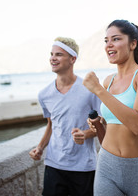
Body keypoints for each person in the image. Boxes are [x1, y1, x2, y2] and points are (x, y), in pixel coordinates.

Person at [83, 19, 138, 196]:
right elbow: (113, 129)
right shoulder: (108, 81)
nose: (109, 44)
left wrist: (99, 91)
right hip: (106, 165)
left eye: (115, 39)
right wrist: (100, 123)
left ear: (133, 44)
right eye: (106, 40)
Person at [29, 37, 101, 196]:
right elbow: (51, 124)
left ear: (72, 59)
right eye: (52, 54)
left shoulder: (89, 90)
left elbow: (102, 125)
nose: (53, 58)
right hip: (54, 165)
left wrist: (86, 133)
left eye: (59, 54)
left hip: (83, 167)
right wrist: (40, 148)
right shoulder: (44, 94)